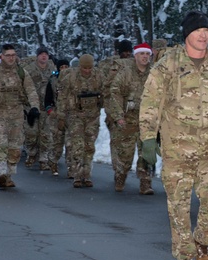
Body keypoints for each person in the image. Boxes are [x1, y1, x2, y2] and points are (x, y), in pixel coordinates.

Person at [139, 11, 208, 260]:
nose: (203, 35)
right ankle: (184, 254)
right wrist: (148, 139)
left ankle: (203, 240)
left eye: (206, 31)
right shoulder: (168, 64)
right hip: (177, 145)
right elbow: (151, 101)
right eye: (198, 31)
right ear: (187, 35)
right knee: (179, 202)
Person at [0, 43, 40, 190]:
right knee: (0, 143)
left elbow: (31, 91)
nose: (11, 58)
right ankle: (1, 173)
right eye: (8, 55)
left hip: (16, 114)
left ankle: (9, 174)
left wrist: (34, 107)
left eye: (13, 55)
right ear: (1, 56)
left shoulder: (21, 72)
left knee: (15, 148)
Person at [106, 43, 153, 193]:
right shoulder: (126, 73)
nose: (145, 56)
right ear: (136, 55)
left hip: (147, 120)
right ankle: (121, 174)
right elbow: (115, 92)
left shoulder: (154, 74)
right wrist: (118, 115)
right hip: (128, 119)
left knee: (147, 151)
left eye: (147, 54)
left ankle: (146, 182)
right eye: (142, 54)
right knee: (125, 153)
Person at [58, 54, 104, 188]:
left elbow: (106, 93)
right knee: (77, 146)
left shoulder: (99, 76)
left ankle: (87, 174)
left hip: (92, 116)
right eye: (84, 68)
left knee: (89, 146)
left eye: (90, 68)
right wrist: (61, 116)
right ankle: (77, 174)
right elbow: (62, 98)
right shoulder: (70, 78)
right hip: (75, 116)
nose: (87, 71)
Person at [23, 46, 57, 170]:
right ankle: (31, 154)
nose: (44, 56)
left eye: (46, 54)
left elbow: (56, 82)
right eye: (41, 54)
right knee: (31, 133)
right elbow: (23, 86)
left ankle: (44, 159)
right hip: (32, 106)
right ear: (37, 56)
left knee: (46, 134)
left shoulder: (52, 68)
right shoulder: (29, 70)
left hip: (46, 106)